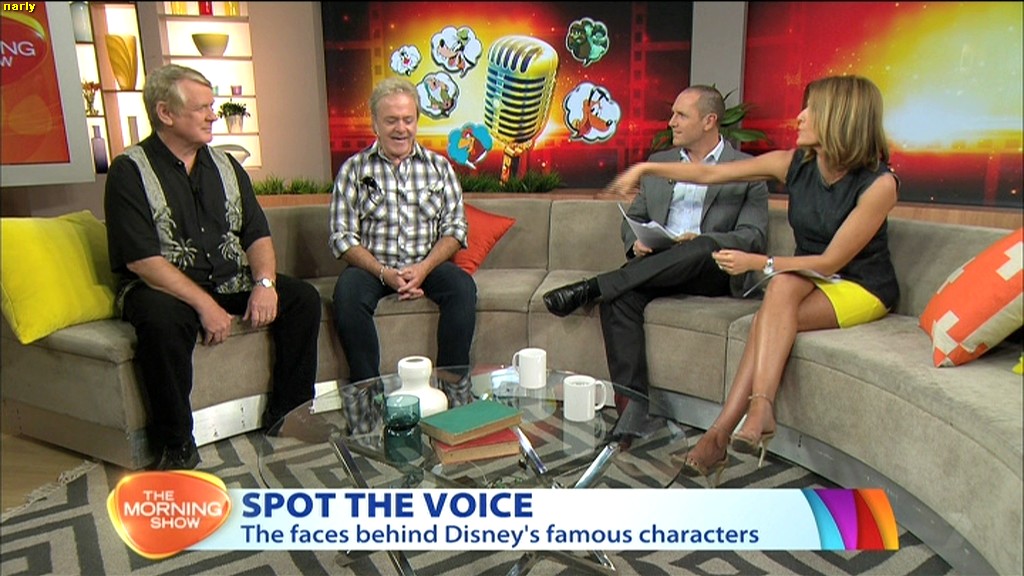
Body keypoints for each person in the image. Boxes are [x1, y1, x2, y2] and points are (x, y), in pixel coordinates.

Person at [606, 75, 899, 487]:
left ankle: (722, 431)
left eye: (811, 110)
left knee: (768, 317)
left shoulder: (880, 184)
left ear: (841, 118)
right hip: (802, 275)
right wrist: (646, 167)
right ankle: (757, 412)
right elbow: (709, 175)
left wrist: (758, 261)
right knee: (780, 290)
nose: (799, 117)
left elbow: (832, 261)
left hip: (857, 284)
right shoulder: (794, 164)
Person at [104, 64, 321, 471]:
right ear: (166, 113)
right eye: (202, 109)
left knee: (302, 299)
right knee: (161, 320)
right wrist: (205, 305)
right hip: (162, 287)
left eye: (212, 107)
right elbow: (142, 260)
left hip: (230, 277)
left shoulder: (225, 166)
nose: (212, 117)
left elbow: (257, 234)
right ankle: (176, 444)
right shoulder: (129, 171)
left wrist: (265, 283)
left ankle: (289, 414)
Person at [542, 85, 769, 437]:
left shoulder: (746, 169)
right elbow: (633, 218)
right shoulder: (661, 164)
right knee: (618, 299)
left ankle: (594, 286)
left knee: (700, 245)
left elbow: (753, 236)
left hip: (712, 266)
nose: (671, 122)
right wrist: (636, 242)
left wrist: (703, 241)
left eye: (681, 115)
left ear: (709, 121)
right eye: (672, 114)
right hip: (658, 263)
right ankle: (633, 412)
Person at [329, 77, 476, 388]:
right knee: (347, 293)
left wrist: (422, 269)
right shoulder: (354, 170)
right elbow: (342, 237)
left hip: (427, 265)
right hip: (373, 268)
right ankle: (368, 391)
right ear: (375, 124)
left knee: (462, 288)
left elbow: (455, 229)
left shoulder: (439, 168)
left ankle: (452, 387)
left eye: (408, 120)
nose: (401, 128)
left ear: (417, 121)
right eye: (391, 120)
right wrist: (385, 273)